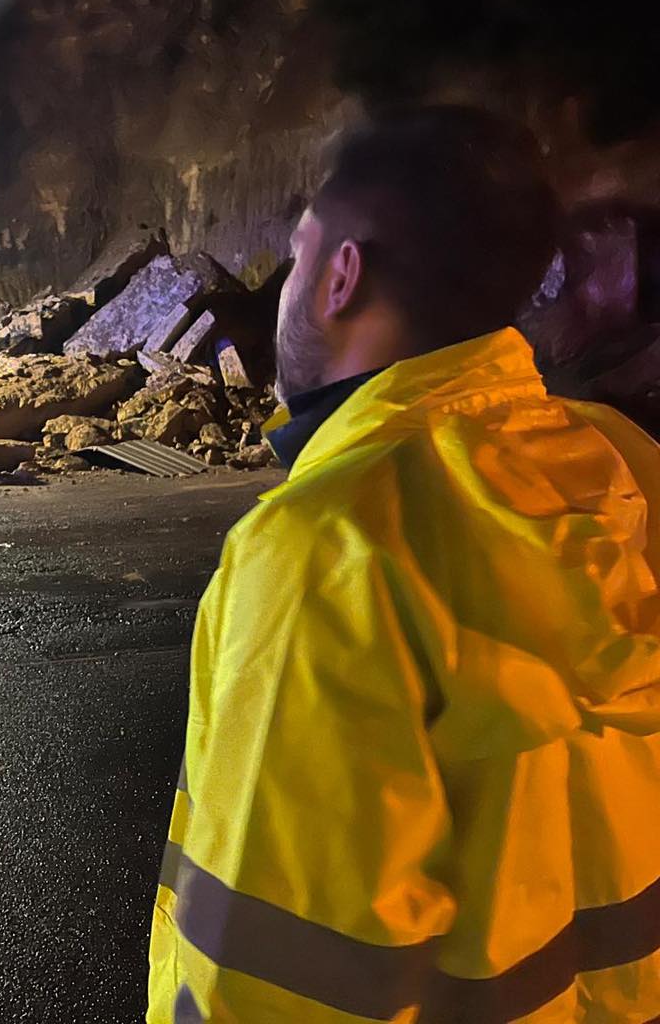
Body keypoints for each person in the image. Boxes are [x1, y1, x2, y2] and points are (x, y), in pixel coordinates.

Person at [148, 105, 660, 1022]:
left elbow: (273, 980)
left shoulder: (330, 545)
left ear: (341, 276)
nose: (286, 285)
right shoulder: (627, 466)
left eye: (299, 254)